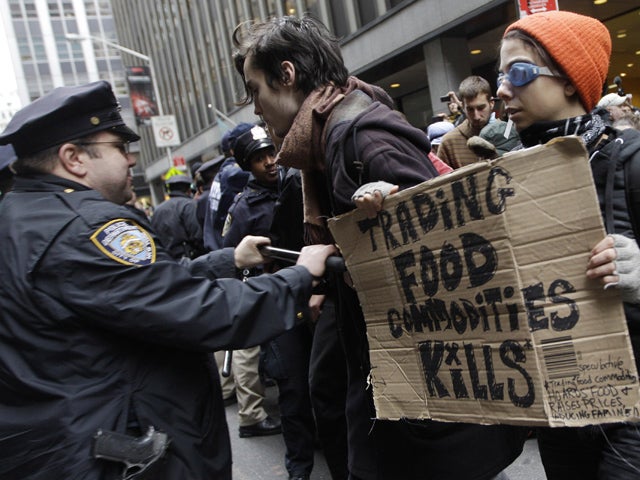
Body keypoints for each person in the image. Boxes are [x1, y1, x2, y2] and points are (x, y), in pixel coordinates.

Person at [233, 15, 526, 480]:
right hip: (399, 387)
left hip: (424, 399)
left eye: (255, 91)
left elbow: (453, 254)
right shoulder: (330, 138)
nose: (255, 109)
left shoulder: (363, 137)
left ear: (286, 75)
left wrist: (352, 258)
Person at [0, 80, 337, 480]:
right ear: (73, 158)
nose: (130, 161)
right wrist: (299, 277)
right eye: (119, 148)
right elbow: (199, 313)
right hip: (110, 452)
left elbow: (126, 294)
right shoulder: (86, 227)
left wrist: (226, 260)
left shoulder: (20, 217)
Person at [497, 10, 640, 479]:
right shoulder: (505, 179)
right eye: (499, 76)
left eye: (517, 73)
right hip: (561, 406)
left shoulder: (630, 161)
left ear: (570, 82)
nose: (502, 91)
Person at [220, 125, 284, 441]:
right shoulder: (243, 206)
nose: (271, 161)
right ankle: (251, 417)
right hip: (255, 285)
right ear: (249, 166)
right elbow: (230, 253)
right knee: (248, 352)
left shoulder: (290, 184)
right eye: (261, 158)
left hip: (290, 284)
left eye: (272, 153)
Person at [203, 123, 252, 251]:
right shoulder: (232, 174)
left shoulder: (221, 174)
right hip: (229, 250)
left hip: (219, 248)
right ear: (233, 150)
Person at [438, 75, 504, 168]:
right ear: (462, 107)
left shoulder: (508, 132)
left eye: (481, 108)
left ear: (491, 103)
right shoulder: (449, 143)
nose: (476, 116)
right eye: (470, 109)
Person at [151, 173, 205, 259]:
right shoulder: (189, 205)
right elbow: (197, 235)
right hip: (189, 258)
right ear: (188, 190)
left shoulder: (157, 210)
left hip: (167, 260)